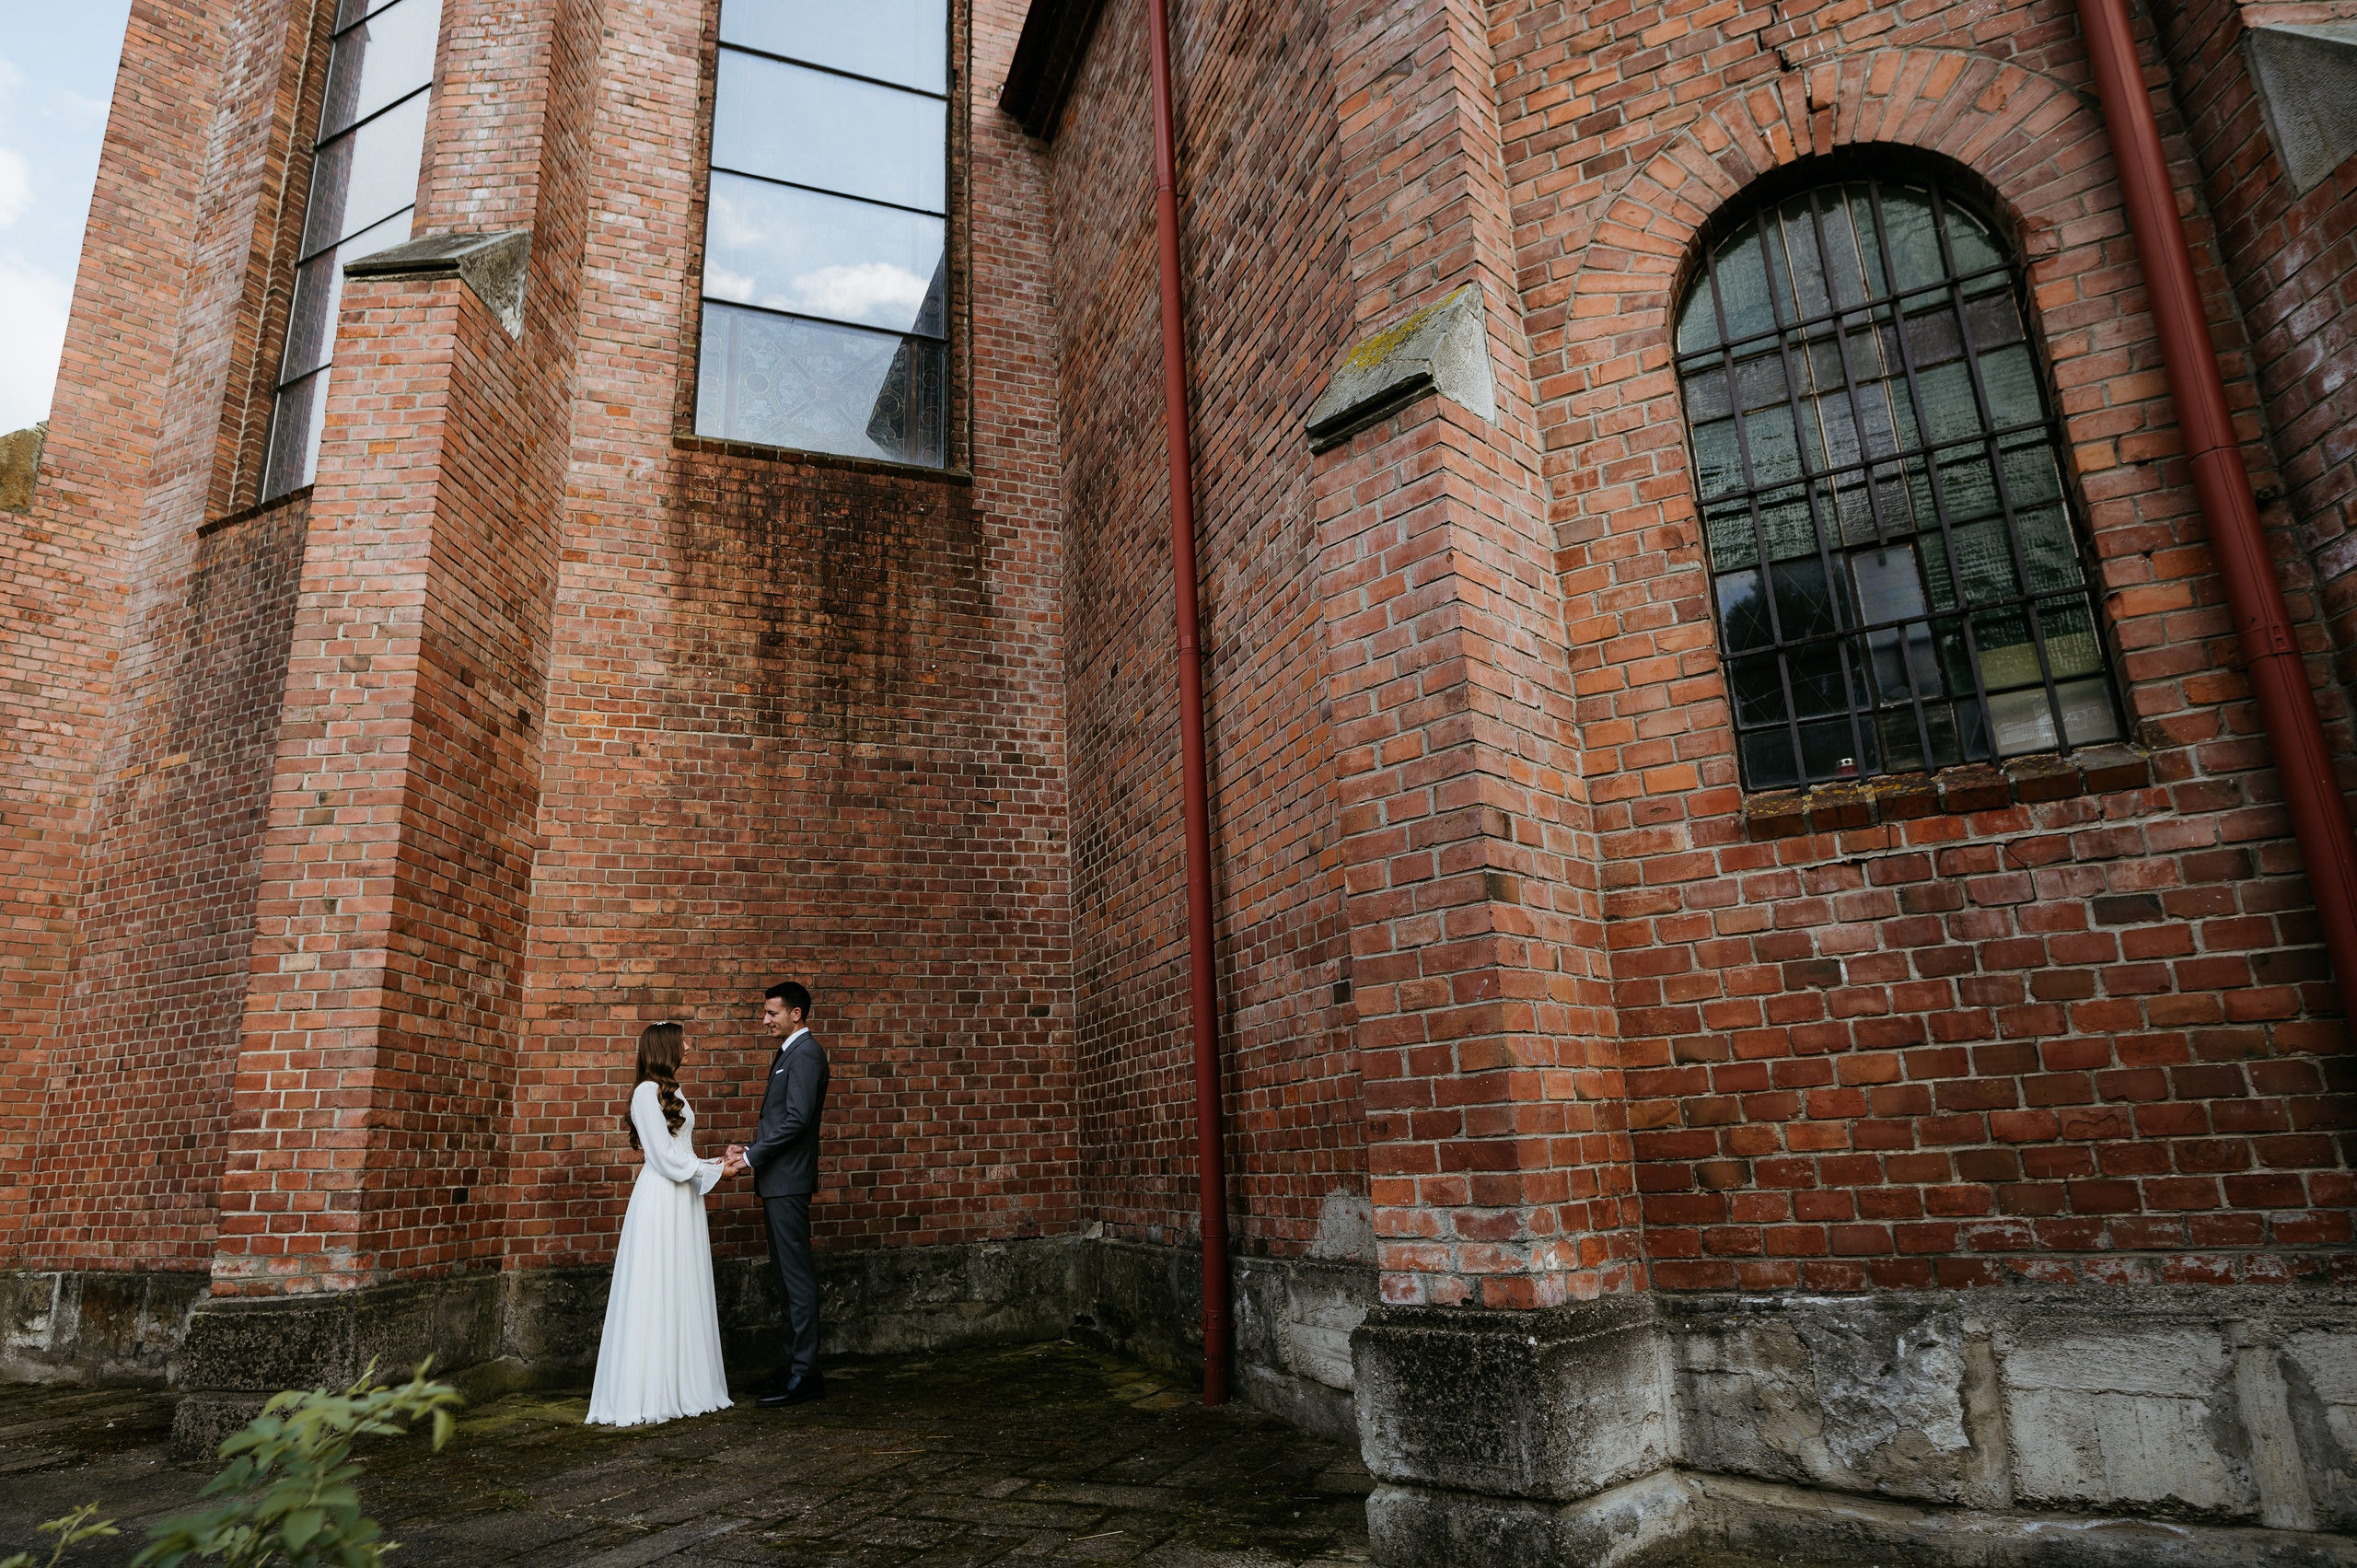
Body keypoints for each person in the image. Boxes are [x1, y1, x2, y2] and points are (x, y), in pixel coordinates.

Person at [586, 1021, 746, 1426]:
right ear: (665, 1048)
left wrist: (716, 1164)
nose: (689, 1046)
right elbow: (662, 1157)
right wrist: (714, 1173)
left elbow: (681, 1152)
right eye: (683, 1041)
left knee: (681, 1283)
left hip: (682, 1196)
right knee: (655, 1285)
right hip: (660, 1197)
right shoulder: (644, 1093)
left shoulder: (672, 1091)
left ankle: (683, 1383)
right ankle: (650, 1390)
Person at [725, 980, 830, 1407]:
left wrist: (751, 1157)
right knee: (786, 1281)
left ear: (795, 1014)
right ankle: (792, 1367)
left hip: (788, 1182)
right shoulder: (791, 1052)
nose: (764, 1020)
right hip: (778, 1181)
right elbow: (780, 1121)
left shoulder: (805, 1054)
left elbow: (796, 1121)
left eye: (771, 1013)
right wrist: (748, 1148)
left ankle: (805, 1375)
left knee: (797, 1279)